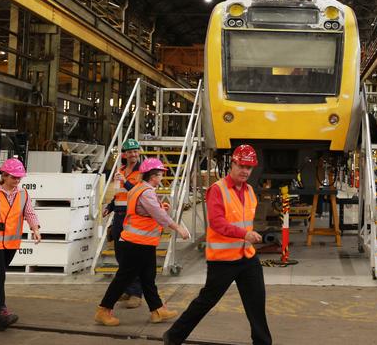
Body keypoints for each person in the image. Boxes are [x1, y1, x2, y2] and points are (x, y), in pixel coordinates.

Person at [163, 145, 272, 345]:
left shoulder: (249, 191)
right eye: (241, 166)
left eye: (249, 168)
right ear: (233, 163)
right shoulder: (217, 190)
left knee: (256, 303)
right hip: (223, 261)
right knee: (206, 301)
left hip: (247, 257)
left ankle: (263, 343)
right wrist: (244, 234)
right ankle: (174, 336)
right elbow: (217, 223)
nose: (245, 171)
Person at [95, 158, 190, 326]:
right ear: (153, 176)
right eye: (160, 175)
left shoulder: (139, 188)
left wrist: (162, 208)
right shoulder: (146, 192)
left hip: (142, 243)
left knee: (148, 277)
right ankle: (103, 310)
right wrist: (178, 228)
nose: (161, 178)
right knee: (124, 278)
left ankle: (157, 310)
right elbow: (157, 215)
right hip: (135, 243)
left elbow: (147, 211)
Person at [0, 158, 41, 331]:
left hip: (11, 244)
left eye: (19, 178)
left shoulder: (23, 194)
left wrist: (35, 228)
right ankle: (2, 313)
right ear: (4, 176)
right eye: (14, 177)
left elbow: (29, 213)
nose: (17, 181)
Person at [103, 138, 144, 308]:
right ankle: (127, 289)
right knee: (121, 255)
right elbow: (119, 194)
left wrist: (125, 181)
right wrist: (110, 207)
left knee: (131, 255)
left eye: (136, 151)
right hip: (119, 216)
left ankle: (136, 293)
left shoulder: (142, 171)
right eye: (130, 152)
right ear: (124, 154)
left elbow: (137, 192)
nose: (133, 154)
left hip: (132, 216)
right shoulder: (120, 170)